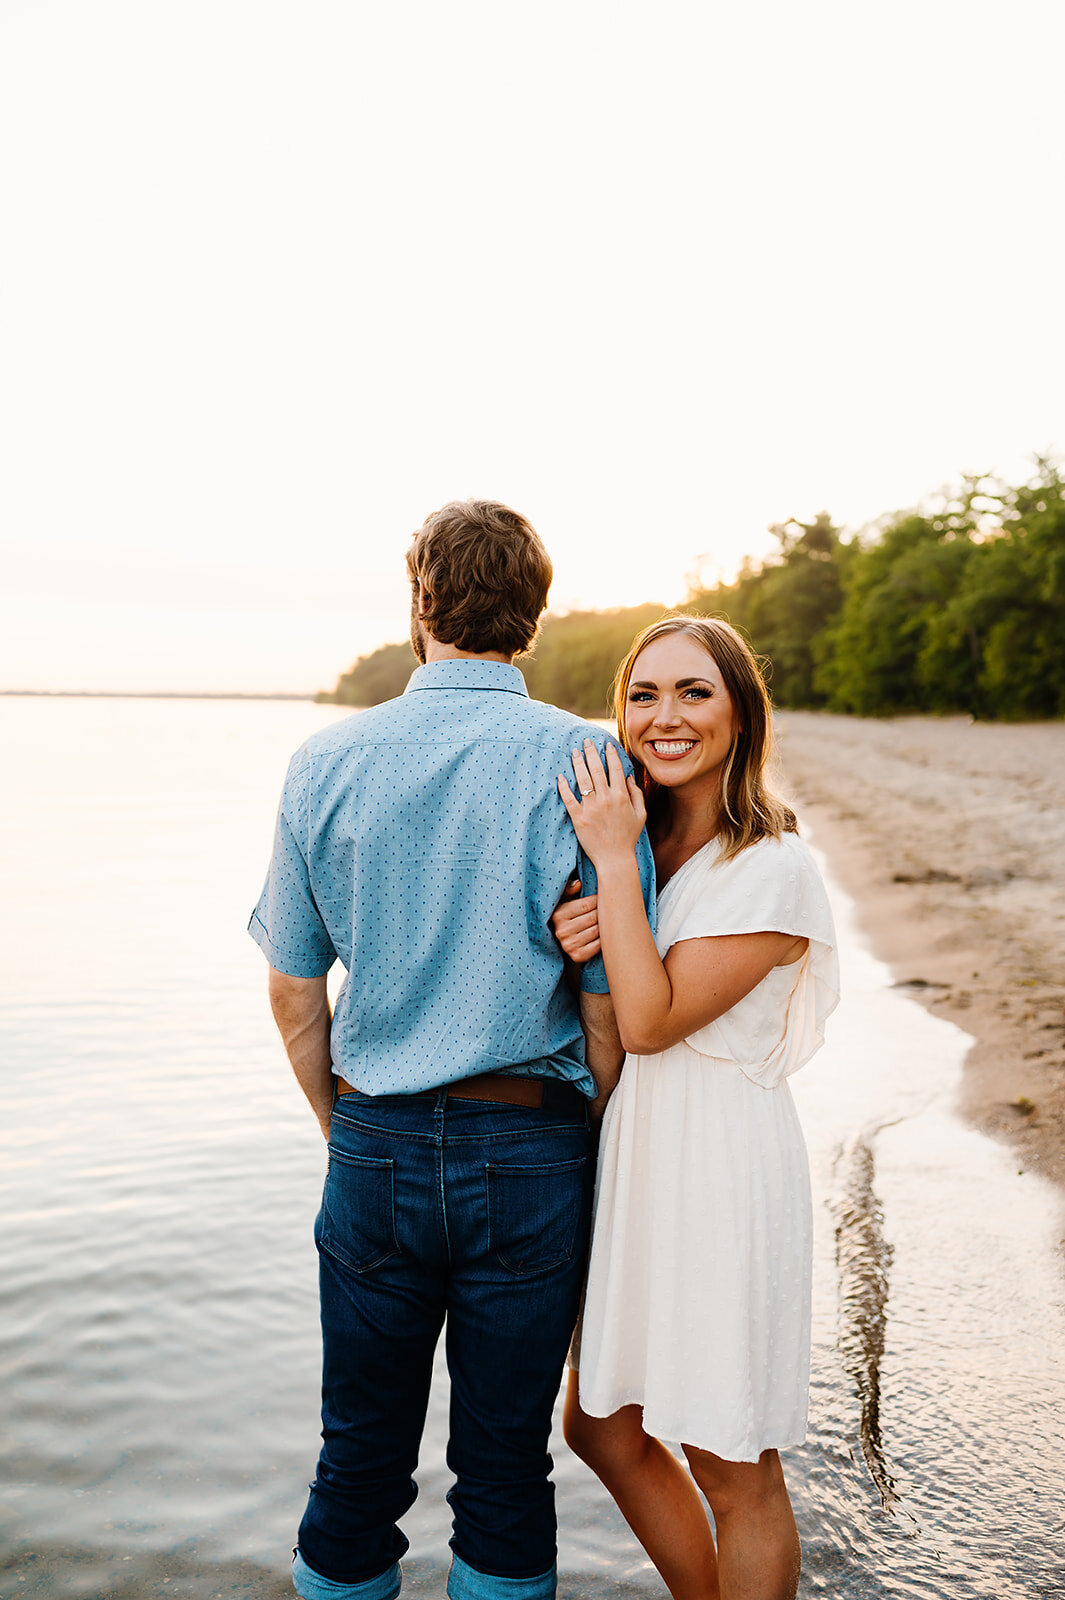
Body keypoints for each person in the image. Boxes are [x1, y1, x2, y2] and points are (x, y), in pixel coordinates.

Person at [248, 500, 654, 1600]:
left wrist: (352, 1130)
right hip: (530, 1147)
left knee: (357, 1460)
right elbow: (613, 1001)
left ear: (419, 597)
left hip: (372, 1139)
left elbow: (294, 991)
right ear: (533, 610)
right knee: (507, 1469)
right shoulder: (590, 761)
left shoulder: (324, 760)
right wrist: (585, 1129)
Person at [551, 615, 839, 1600]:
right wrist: (582, 932)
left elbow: (652, 1017)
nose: (664, 716)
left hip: (720, 1167)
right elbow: (611, 1010)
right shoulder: (637, 856)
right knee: (599, 1422)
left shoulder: (774, 867)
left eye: (694, 692)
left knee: (731, 1456)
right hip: (639, 1158)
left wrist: (611, 870)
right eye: (643, 694)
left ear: (740, 713)